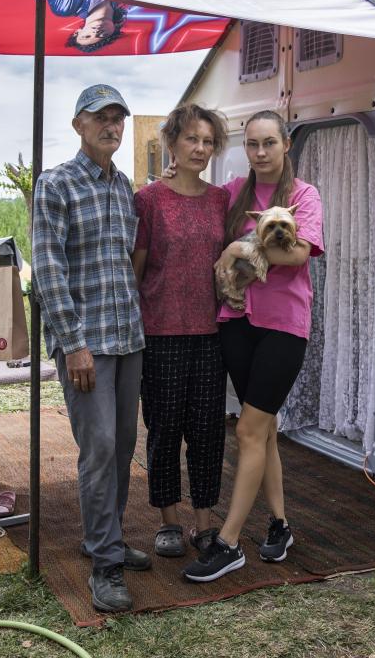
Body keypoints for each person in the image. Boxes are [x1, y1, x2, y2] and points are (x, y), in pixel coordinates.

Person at [182, 109, 323, 583]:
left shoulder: (304, 196)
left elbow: (298, 252)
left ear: (287, 144)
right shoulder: (232, 194)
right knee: (262, 430)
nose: (260, 153)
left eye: (269, 143)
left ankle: (228, 543)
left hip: (284, 326)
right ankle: (280, 525)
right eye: (252, 145)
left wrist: (237, 249)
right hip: (236, 322)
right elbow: (194, 199)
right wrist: (175, 172)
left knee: (247, 431)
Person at [31, 83, 149, 613]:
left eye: (118, 118)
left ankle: (108, 536)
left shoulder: (125, 189)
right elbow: (48, 271)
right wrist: (73, 343)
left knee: (124, 445)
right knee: (99, 445)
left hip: (129, 339)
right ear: (78, 124)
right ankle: (105, 564)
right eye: (100, 117)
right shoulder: (55, 185)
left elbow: (126, 265)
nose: (112, 125)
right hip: (87, 343)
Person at [131, 104, 230, 559]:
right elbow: (137, 267)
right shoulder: (148, 200)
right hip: (161, 333)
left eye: (208, 141)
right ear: (171, 142)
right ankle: (169, 521)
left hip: (211, 334)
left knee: (207, 431)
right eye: (191, 139)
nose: (200, 148)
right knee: (164, 429)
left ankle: (204, 523)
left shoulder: (221, 200)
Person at [46, 0, 127, 53]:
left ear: (77, 32)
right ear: (114, 30)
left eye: (86, 36)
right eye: (103, 35)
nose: (95, 32)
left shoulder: (64, 8)